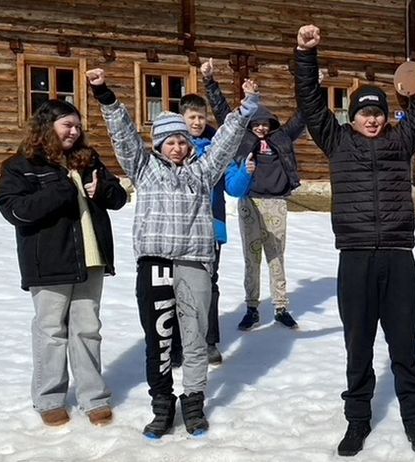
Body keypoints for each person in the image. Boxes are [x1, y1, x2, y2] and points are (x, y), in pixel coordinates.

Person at [294, 23, 415, 456]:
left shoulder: (401, 142)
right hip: (355, 259)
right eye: (364, 112)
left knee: (403, 343)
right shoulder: (336, 141)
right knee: (358, 345)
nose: (372, 118)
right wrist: (306, 55)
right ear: (352, 116)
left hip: (398, 257)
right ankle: (357, 421)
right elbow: (310, 102)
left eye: (377, 112)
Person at [86, 67, 257, 438]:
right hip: (156, 263)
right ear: (159, 145)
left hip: (195, 261)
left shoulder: (201, 171)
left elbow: (226, 142)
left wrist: (243, 111)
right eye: (170, 141)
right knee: (160, 339)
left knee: (195, 336)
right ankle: (162, 405)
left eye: (182, 140)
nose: (178, 147)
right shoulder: (144, 168)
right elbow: (124, 136)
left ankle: (193, 402)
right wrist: (105, 96)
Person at [0, 99, 128, 428]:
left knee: (88, 330)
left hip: (91, 260)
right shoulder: (21, 165)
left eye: (77, 126)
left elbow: (119, 197)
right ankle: (49, 398)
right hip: (49, 262)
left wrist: (103, 191)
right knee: (51, 331)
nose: (74, 131)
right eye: (67, 125)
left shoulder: (87, 159)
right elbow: (14, 210)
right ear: (47, 127)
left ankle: (93, 397)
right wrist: (61, 190)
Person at [201, 58, 307, 331]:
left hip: (275, 204)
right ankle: (251, 307)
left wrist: (312, 86)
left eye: (265, 123)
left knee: (276, 256)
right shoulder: (243, 138)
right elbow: (223, 111)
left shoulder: (282, 137)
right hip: (249, 202)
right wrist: (210, 81)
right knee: (252, 257)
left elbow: (305, 114)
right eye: (257, 123)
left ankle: (281, 307)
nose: (261, 127)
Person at [164, 92, 227, 365]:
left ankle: (209, 340)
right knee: (174, 285)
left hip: (211, 225)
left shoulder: (216, 147)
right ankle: (176, 343)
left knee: (209, 285)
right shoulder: (172, 147)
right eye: (193, 117)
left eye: (202, 117)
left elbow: (233, 184)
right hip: (177, 226)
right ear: (183, 118)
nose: (198, 122)